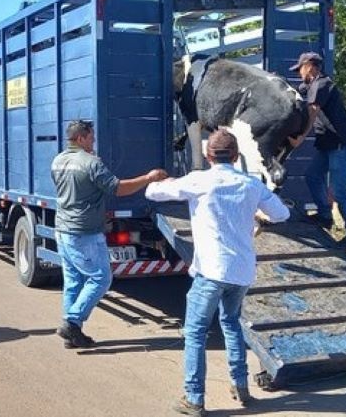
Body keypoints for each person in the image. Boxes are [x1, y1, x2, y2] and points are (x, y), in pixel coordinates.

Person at [145, 129, 290, 416]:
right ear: (236, 157)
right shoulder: (251, 184)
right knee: (232, 324)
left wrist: (159, 179)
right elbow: (282, 214)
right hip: (241, 272)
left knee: (196, 332)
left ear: (209, 156)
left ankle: (194, 398)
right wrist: (257, 214)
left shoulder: (199, 180)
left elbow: (153, 193)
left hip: (211, 271)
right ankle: (241, 387)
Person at [51, 119, 167, 349]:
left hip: (63, 228)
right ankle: (72, 322)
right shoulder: (91, 163)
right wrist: (149, 178)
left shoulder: (58, 160)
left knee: (73, 281)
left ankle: (73, 334)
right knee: (101, 278)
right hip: (84, 232)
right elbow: (119, 188)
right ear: (81, 137)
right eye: (91, 137)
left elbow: (76, 191)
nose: (94, 141)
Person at [288, 52, 346, 249]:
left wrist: (299, 139)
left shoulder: (322, 84)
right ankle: (324, 217)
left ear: (310, 66)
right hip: (330, 144)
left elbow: (313, 112)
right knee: (312, 176)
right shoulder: (313, 84)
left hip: (344, 145)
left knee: (339, 193)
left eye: (300, 69)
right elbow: (301, 90)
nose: (299, 74)